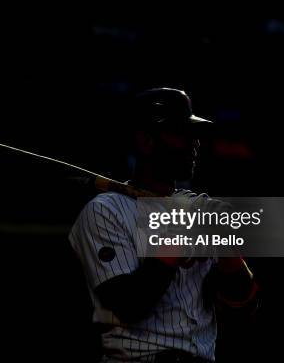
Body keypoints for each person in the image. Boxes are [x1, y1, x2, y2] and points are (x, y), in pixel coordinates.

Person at [69, 88, 258, 362]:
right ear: (146, 141)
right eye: (180, 133)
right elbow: (128, 306)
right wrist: (177, 238)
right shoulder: (105, 210)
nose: (194, 143)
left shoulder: (200, 207)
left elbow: (244, 309)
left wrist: (226, 243)